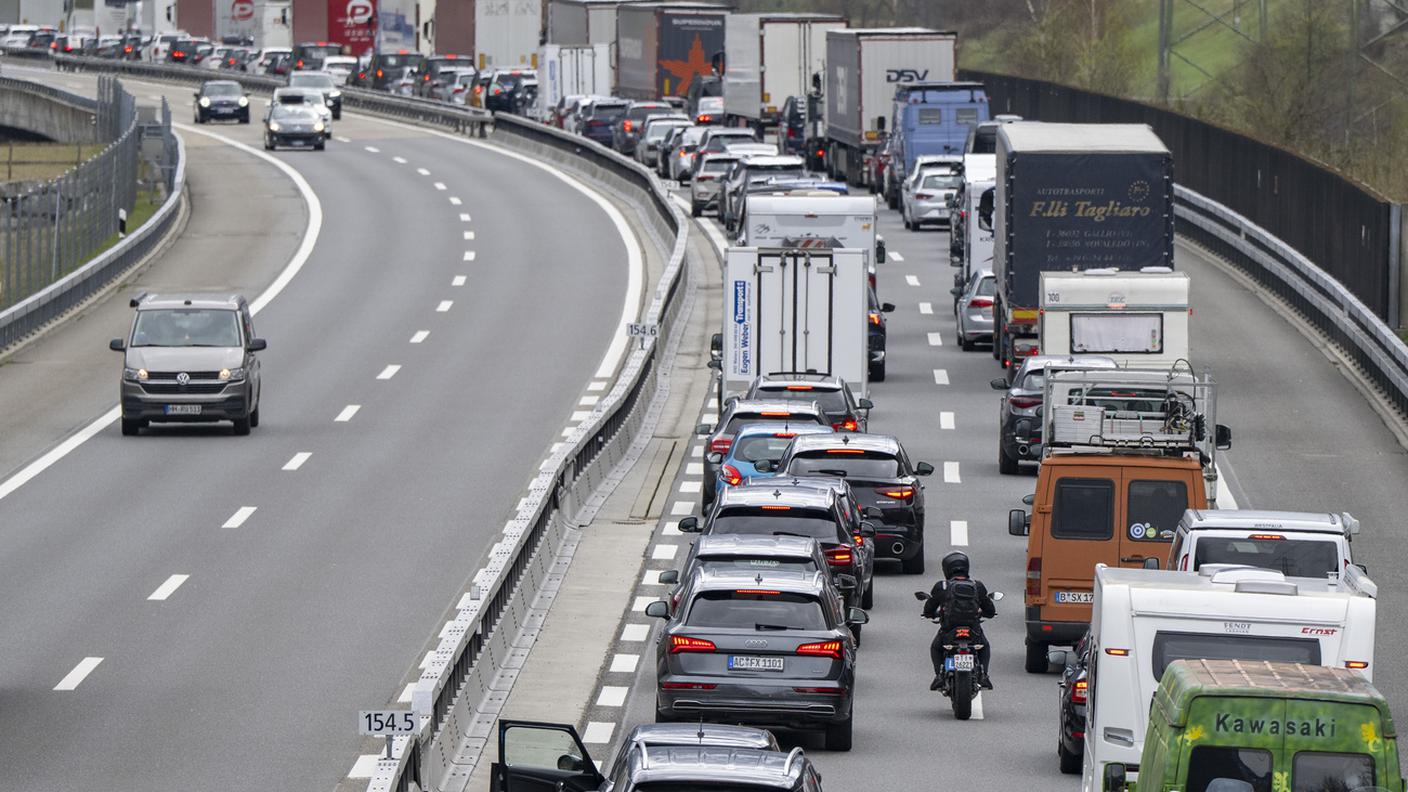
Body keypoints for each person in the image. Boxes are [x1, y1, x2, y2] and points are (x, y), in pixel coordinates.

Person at [922, 551, 997, 691]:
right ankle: (984, 675)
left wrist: (929, 614)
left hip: (949, 630)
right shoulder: (977, 585)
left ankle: (939, 676)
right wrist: (985, 613)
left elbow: (929, 608)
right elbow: (990, 611)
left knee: (936, 648)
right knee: (984, 646)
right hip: (973, 630)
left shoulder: (942, 586)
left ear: (946, 568)